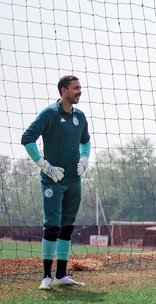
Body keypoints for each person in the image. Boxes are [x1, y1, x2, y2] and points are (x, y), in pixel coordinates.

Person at [21, 75, 91, 289]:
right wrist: (45, 165)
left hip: (73, 181)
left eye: (80, 88)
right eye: (75, 88)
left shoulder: (80, 116)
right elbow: (27, 138)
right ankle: (45, 277)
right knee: (52, 226)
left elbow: (85, 141)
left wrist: (84, 158)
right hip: (53, 182)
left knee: (67, 227)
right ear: (63, 91)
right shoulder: (49, 114)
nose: (79, 91)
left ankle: (61, 275)